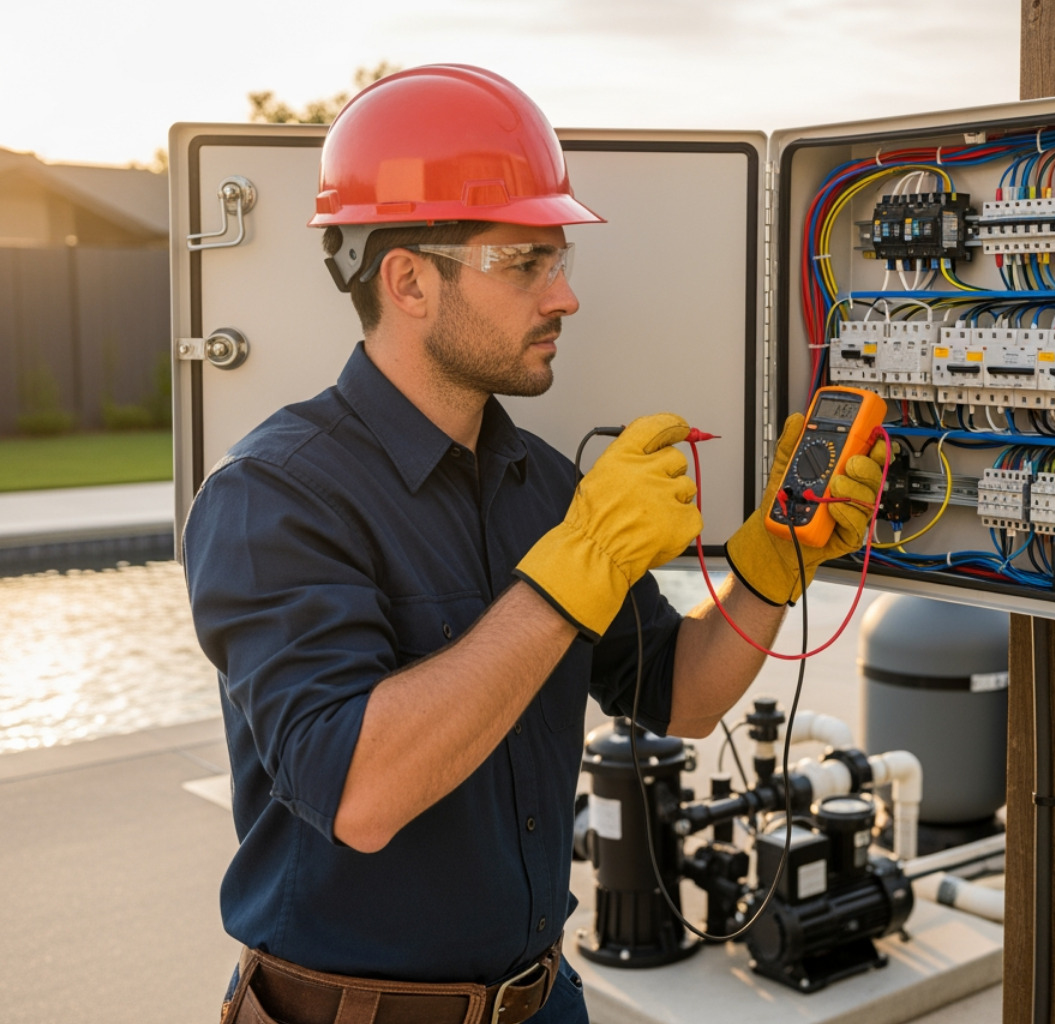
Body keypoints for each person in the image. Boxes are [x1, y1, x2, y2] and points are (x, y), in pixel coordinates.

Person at [183, 64, 883, 1024]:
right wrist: (578, 567)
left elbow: (675, 695)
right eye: (524, 264)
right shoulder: (273, 498)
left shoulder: (547, 484)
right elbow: (360, 792)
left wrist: (773, 566)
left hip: (543, 1000)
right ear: (408, 279)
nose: (565, 298)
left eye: (559, 261)